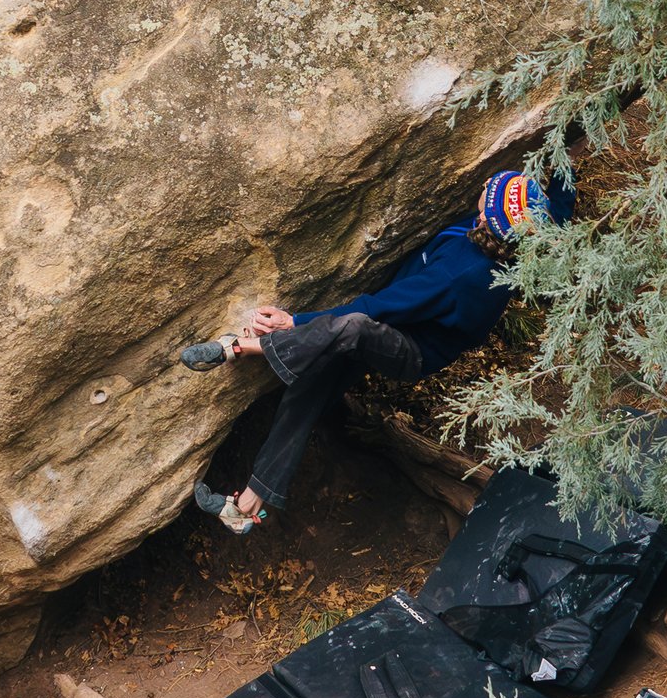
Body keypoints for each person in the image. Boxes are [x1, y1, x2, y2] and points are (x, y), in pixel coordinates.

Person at [177, 167, 572, 534]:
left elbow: (377, 309)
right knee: (310, 389)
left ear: (492, 216)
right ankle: (246, 507)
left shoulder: (461, 275)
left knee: (354, 328)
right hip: (406, 323)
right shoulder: (518, 230)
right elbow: (560, 198)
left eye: (492, 189)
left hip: (411, 348)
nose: (485, 184)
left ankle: (243, 347)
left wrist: (293, 322)